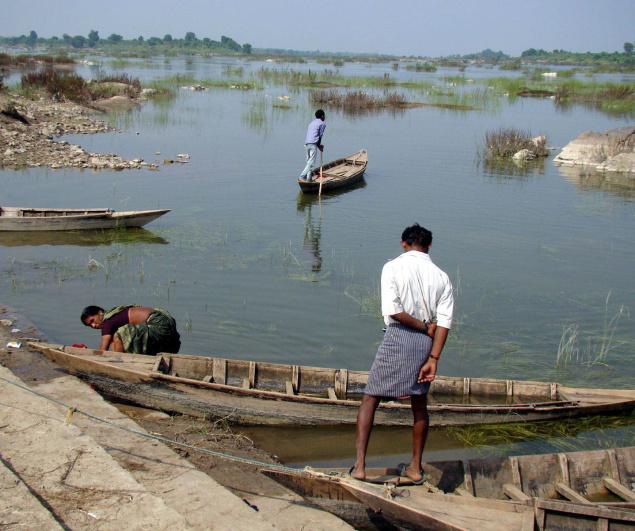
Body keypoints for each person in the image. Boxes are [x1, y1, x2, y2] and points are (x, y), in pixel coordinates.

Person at [351, 223, 454, 483]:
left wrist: (421, 326)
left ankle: (360, 467)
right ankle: (415, 468)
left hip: (399, 336)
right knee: (419, 406)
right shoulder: (441, 277)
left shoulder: (392, 267)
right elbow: (444, 323)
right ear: (428, 246)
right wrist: (434, 358)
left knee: (370, 399)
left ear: (403, 243)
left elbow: (394, 311)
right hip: (425, 344)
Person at [81, 305, 181, 355]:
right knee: (118, 337)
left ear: (100, 312)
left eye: (92, 321)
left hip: (159, 325)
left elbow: (103, 350)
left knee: (120, 334)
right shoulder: (114, 317)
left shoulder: (108, 322)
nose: (93, 325)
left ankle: (120, 364)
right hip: (166, 323)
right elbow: (113, 346)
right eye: (90, 325)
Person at [299, 109, 326, 182]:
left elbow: (312, 136)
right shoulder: (322, 123)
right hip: (313, 144)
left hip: (307, 144)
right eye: (324, 116)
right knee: (311, 163)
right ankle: (302, 176)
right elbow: (320, 136)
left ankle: (309, 178)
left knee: (309, 162)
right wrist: (319, 146)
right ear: (322, 116)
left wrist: (319, 146)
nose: (325, 117)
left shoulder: (311, 123)